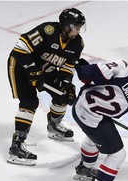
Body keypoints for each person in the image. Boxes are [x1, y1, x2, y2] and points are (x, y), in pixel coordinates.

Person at [7, 8, 86, 166]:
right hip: (21, 66)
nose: (78, 31)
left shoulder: (77, 43)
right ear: (66, 26)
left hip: (44, 68)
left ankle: (54, 126)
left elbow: (68, 67)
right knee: (29, 102)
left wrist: (66, 83)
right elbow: (20, 47)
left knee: (63, 94)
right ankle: (16, 147)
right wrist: (31, 68)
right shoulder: (47, 31)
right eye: (76, 27)